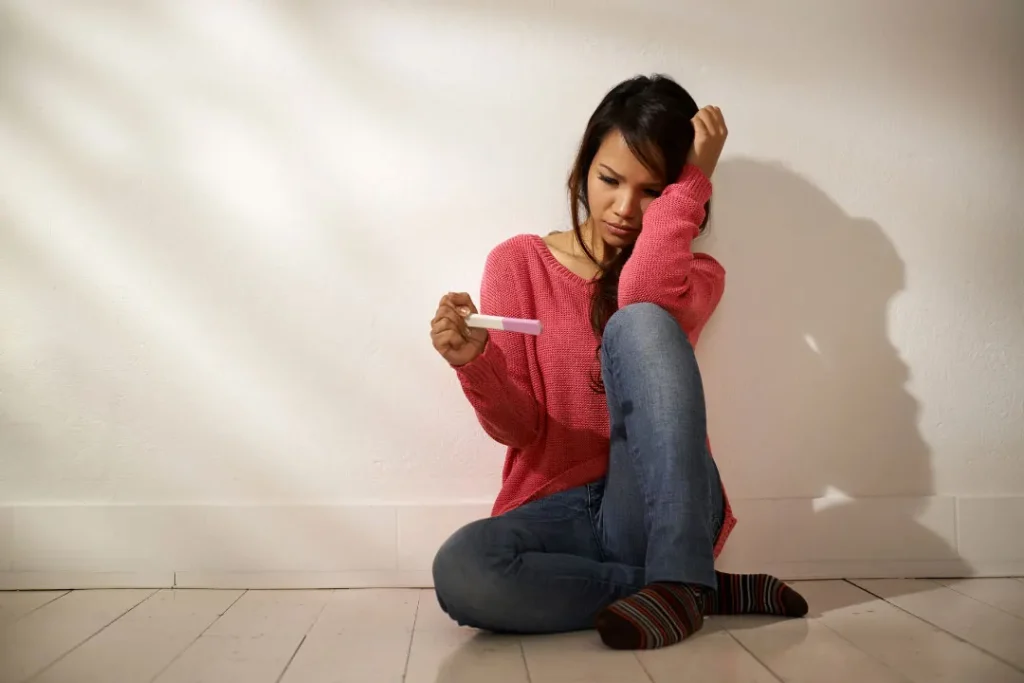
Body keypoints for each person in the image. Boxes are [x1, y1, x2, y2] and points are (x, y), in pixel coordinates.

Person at [428, 74, 808, 651]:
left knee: (640, 320)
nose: (625, 208)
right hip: (558, 517)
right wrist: (476, 363)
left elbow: (641, 294)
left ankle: (678, 575)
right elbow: (519, 430)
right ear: (584, 167)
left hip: (658, 510)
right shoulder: (518, 263)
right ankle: (692, 589)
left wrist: (694, 179)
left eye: (654, 190)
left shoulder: (695, 278)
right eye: (609, 180)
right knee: (462, 570)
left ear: (682, 191)